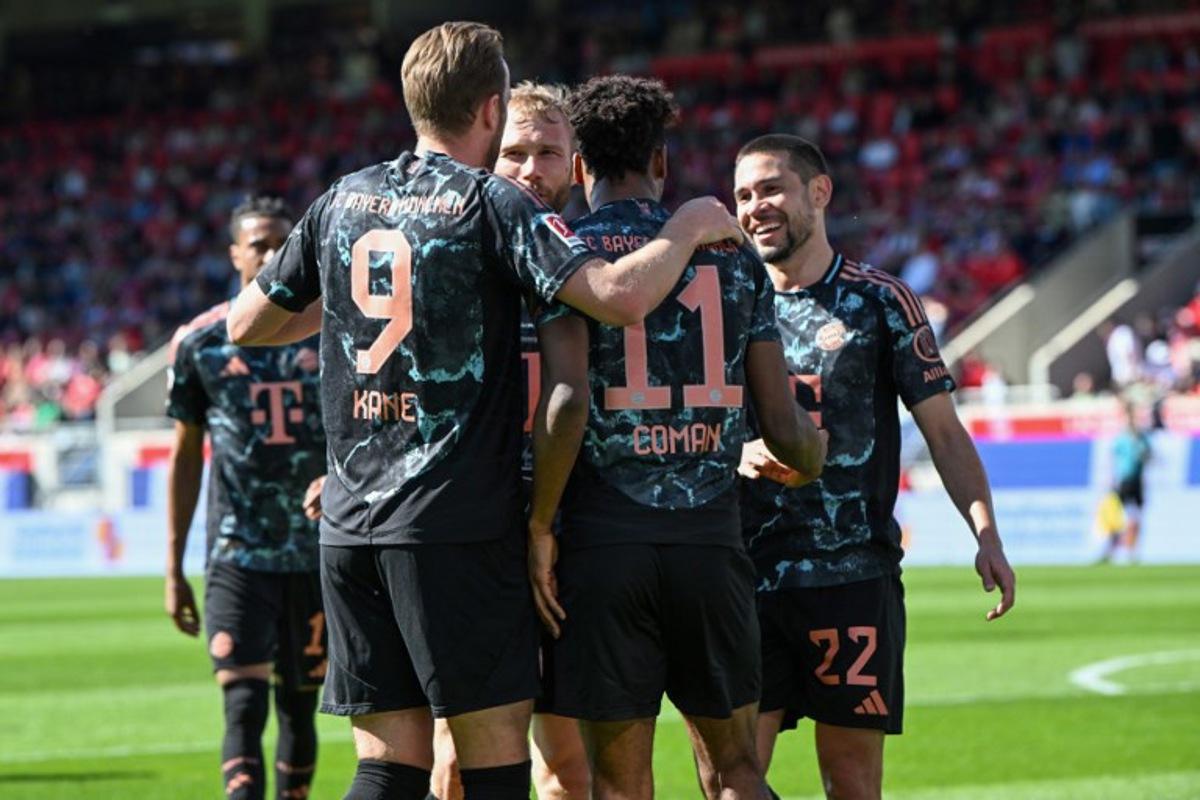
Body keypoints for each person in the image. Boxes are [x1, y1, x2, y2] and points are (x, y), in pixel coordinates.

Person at [225, 21, 742, 800]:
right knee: (494, 764)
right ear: (493, 109)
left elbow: (246, 326)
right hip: (454, 525)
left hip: (350, 526)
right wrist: (689, 223)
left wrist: (352, 309)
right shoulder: (488, 202)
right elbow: (617, 297)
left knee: (387, 764)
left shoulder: (342, 199)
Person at [529, 76, 826, 800]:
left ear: (577, 168)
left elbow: (566, 403)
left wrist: (539, 522)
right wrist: (813, 458)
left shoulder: (563, 250)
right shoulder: (731, 257)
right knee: (736, 773)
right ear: (661, 162)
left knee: (621, 785)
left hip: (604, 548)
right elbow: (784, 428)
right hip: (711, 545)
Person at [732, 135, 1017, 800]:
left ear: (819, 193)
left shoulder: (882, 300)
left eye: (770, 188)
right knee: (731, 778)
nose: (755, 207)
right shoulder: (722, 302)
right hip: (743, 576)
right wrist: (734, 451)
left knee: (853, 784)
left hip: (851, 575)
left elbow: (942, 431)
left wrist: (986, 533)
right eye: (743, 195)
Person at [431, 81, 591, 800]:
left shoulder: (599, 269)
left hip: (578, 536)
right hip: (469, 534)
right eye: (514, 153)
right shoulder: (447, 261)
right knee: (456, 765)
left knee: (568, 770)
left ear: (577, 165)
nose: (530, 170)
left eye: (548, 153)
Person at [165, 195, 327, 800]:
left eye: (281, 243)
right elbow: (185, 456)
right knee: (241, 704)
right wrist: (174, 565)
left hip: (315, 551)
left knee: (299, 708)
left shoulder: (329, 328)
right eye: (258, 243)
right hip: (237, 551)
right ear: (235, 253)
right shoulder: (201, 343)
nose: (270, 253)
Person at [1102, 400, 1152, 564]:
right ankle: (1112, 550)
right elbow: (1113, 459)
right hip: (1125, 481)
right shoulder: (1122, 438)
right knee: (1121, 517)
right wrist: (1111, 479)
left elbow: (1149, 457)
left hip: (1137, 480)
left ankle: (1131, 551)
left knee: (1135, 517)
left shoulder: (1142, 438)